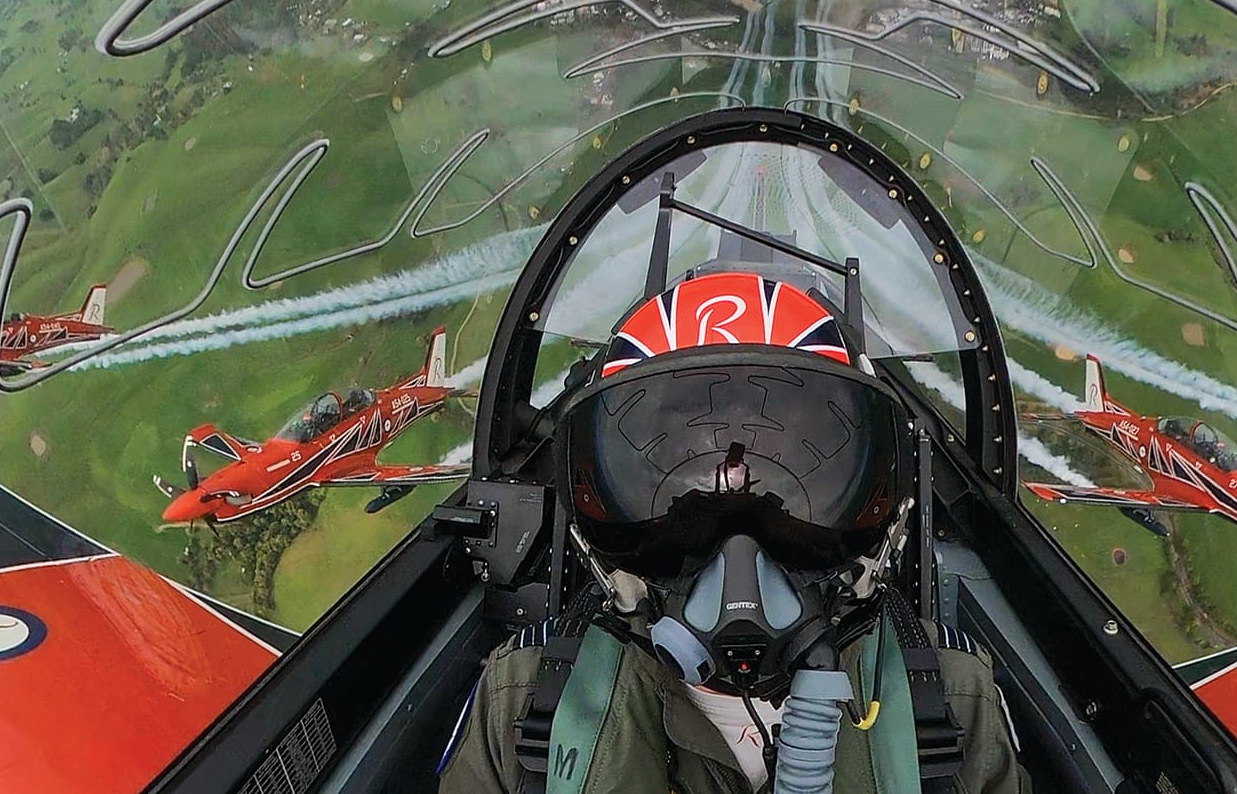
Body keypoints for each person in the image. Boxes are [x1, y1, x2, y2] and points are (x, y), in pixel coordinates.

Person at [440, 278, 1028, 794]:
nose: (739, 563)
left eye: (793, 493)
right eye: (687, 496)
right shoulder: (523, 708)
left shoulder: (951, 705)